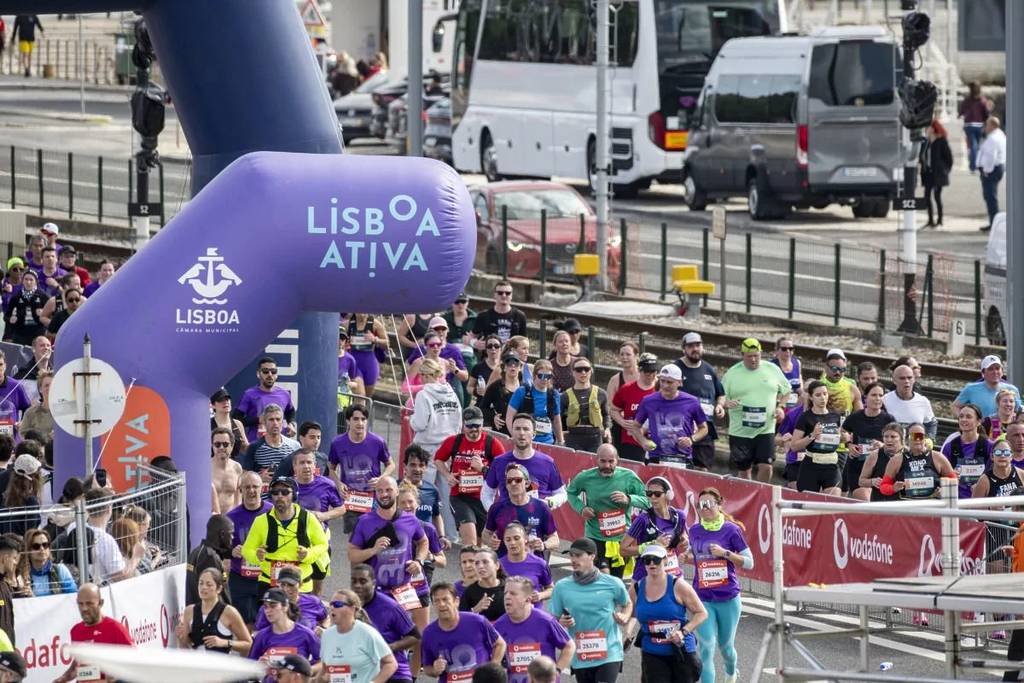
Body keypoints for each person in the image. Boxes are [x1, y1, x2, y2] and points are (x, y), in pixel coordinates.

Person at [682, 488, 753, 683]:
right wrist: (686, 556)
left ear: (719, 504)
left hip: (728, 598)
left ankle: (731, 673)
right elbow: (694, 551)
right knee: (706, 647)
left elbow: (749, 562)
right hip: (702, 598)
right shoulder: (695, 530)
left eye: (709, 504)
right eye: (701, 505)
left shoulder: (731, 530)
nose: (704, 508)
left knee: (726, 648)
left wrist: (725, 553)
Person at [550, 537, 632, 683]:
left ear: (592, 556)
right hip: (581, 655)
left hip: (609, 653)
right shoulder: (561, 587)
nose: (573, 559)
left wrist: (624, 616)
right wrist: (561, 621)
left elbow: (628, 603)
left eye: (578, 555)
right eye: (571, 555)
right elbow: (553, 619)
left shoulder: (612, 583)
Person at [347, 476, 430, 611]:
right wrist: (373, 550)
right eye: (380, 491)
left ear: (397, 492)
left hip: (403, 591)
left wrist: (419, 561)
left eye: (388, 490)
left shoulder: (411, 519)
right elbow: (352, 554)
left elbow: (423, 541)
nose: (384, 494)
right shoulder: (364, 522)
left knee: (404, 625)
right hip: (374, 592)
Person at [566, 444, 648, 578]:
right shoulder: (586, 477)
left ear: (617, 460)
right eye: (603, 461)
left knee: (615, 580)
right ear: (596, 459)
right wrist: (581, 508)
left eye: (611, 461)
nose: (607, 465)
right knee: (602, 575)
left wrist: (629, 499)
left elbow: (648, 500)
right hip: (595, 536)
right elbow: (571, 493)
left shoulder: (628, 477)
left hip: (620, 538)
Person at [631, 544, 707, 683]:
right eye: (647, 560)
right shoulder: (636, 588)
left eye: (656, 559)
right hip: (652, 650)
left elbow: (701, 613)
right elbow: (630, 615)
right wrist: (625, 632)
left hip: (681, 649)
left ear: (665, 560)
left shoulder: (679, 585)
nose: (652, 563)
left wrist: (683, 631)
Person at [241, 476, 329, 594]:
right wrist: (256, 556)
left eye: (285, 492)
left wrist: (308, 554)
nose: (280, 496)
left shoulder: (309, 519)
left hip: (301, 585)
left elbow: (322, 544)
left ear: (294, 495)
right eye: (275, 492)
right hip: (269, 584)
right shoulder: (261, 521)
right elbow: (247, 550)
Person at [722, 338, 791, 482]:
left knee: (767, 466)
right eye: (749, 356)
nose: (753, 360)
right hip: (740, 431)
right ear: (742, 355)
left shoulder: (772, 369)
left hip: (765, 430)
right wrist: (726, 404)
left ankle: (761, 493)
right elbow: (720, 397)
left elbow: (787, 391)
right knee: (744, 471)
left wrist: (781, 407)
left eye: (756, 356)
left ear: (761, 354)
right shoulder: (732, 373)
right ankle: (748, 494)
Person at [435, 407, 504, 546]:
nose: (473, 429)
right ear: (463, 425)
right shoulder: (453, 441)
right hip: (459, 497)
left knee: (479, 546)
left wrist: (483, 468)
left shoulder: (492, 443)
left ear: (482, 424)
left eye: (477, 425)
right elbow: (438, 459)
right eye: (469, 426)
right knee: (470, 542)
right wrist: (448, 475)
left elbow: (503, 472)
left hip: (483, 499)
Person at [494, 575, 575, 683]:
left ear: (528, 599)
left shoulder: (545, 621)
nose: (507, 597)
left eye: (513, 593)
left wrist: (557, 671)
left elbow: (569, 646)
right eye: (505, 593)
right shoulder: (498, 626)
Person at [421, 582, 507, 682]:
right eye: (437, 601)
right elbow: (427, 667)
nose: (441, 604)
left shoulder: (477, 621)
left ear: (456, 601)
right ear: (433, 605)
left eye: (445, 599)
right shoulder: (429, 633)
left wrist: (492, 669)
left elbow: (500, 644)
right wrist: (435, 670)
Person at [350, 563, 421, 683]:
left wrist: (386, 648)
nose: (357, 585)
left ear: (373, 583)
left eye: (363, 581)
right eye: (354, 581)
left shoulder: (390, 607)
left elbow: (415, 636)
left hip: (394, 674)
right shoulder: (346, 604)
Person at [329, 403, 393, 534]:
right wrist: (338, 484)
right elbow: (331, 469)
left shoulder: (377, 442)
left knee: (375, 536)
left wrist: (381, 479)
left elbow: (391, 464)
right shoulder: (337, 443)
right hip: (351, 498)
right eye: (356, 419)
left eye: (363, 419)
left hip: (374, 498)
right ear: (348, 421)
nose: (360, 423)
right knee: (354, 538)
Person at [481, 414, 567, 510]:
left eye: (526, 429)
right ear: (512, 432)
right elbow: (486, 493)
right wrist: (494, 513)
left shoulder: (547, 462)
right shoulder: (499, 462)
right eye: (517, 429)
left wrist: (550, 502)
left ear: (534, 434)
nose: (521, 433)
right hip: (508, 518)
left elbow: (562, 494)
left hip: (538, 517)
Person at [53, 583, 134, 683]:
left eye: (89, 604)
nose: (84, 609)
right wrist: (63, 678)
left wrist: (112, 679)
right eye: (80, 604)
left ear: (100, 603)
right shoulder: (76, 631)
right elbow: (78, 663)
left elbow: (134, 664)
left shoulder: (116, 629)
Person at [633, 365, 709, 468]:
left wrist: (691, 439)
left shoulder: (692, 401)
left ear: (680, 382)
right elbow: (635, 426)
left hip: (683, 458)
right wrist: (643, 442)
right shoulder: (648, 401)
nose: (665, 385)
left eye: (669, 382)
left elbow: (704, 428)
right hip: (656, 457)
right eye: (662, 381)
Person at [319, 589, 398, 683]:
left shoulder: (367, 633)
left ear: (352, 609)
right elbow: (324, 671)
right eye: (331, 604)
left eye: (337, 604)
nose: (332, 607)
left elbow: (391, 663)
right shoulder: (327, 635)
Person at [482, 463, 560, 558]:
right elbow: (486, 534)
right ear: (506, 485)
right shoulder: (496, 508)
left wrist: (544, 545)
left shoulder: (541, 507)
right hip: (504, 563)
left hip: (532, 563)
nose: (513, 483)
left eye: (518, 480)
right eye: (509, 481)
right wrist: (490, 541)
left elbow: (555, 539)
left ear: (527, 483)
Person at [621, 476, 688, 583]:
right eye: (649, 494)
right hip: (645, 578)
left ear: (668, 495)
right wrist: (652, 545)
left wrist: (684, 540)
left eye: (657, 494)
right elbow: (623, 550)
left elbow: (683, 537)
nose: (653, 497)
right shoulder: (643, 519)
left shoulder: (680, 516)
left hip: (673, 575)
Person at [675, 333, 727, 470]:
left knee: (703, 469)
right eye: (691, 346)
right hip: (682, 429)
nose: (695, 349)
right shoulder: (676, 368)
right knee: (681, 468)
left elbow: (721, 394)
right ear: (683, 349)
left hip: (705, 428)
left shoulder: (709, 369)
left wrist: (720, 406)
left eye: (698, 345)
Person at [227, 471, 272, 626]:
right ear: (240, 490)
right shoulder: (231, 517)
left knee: (269, 623)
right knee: (245, 625)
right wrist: (231, 551)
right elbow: (221, 548)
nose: (251, 491)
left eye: (255, 487)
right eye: (247, 487)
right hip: (241, 578)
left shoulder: (273, 512)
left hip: (267, 576)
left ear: (262, 488)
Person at [248, 587, 321, 679]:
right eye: (265, 607)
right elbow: (250, 668)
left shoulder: (305, 634)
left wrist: (305, 670)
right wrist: (259, 666)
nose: (268, 610)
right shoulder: (261, 636)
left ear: (285, 607)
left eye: (273, 606)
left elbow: (322, 662)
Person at [175, 567, 251, 654]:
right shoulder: (189, 611)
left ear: (219, 589)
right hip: (196, 661)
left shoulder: (229, 612)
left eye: (209, 585)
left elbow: (249, 644)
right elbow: (184, 647)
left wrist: (225, 643)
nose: (203, 587)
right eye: (201, 583)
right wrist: (180, 638)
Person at [791, 380, 845, 496]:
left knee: (834, 499)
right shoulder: (805, 417)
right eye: (818, 395)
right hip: (811, 465)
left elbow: (839, 438)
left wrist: (844, 438)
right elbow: (794, 446)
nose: (823, 398)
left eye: (825, 394)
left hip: (831, 465)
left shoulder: (835, 416)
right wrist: (812, 435)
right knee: (808, 503)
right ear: (811, 397)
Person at [881, 422, 957, 500]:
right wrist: (893, 488)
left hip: (932, 504)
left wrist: (944, 490)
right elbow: (883, 486)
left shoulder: (937, 457)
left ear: (925, 438)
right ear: (906, 439)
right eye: (913, 436)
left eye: (920, 436)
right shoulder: (896, 460)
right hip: (906, 504)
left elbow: (954, 481)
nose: (917, 439)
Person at [841, 382, 892, 497]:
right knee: (864, 498)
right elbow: (842, 432)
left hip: (880, 470)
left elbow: (898, 445)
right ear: (865, 397)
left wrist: (883, 446)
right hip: (857, 468)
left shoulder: (888, 419)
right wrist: (849, 444)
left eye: (880, 395)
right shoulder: (855, 417)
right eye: (874, 395)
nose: (877, 398)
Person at [610, 352, 659, 463]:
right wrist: (622, 422)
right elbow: (613, 409)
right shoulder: (627, 389)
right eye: (647, 371)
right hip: (631, 441)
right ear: (639, 370)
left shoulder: (661, 389)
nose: (650, 375)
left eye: (653, 371)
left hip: (654, 441)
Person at [239, 404, 302, 490]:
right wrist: (259, 478)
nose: (275, 423)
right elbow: (244, 478)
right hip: (263, 495)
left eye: (278, 419)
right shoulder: (254, 447)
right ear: (264, 422)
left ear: (282, 422)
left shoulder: (295, 446)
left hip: (288, 494)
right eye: (271, 420)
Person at [234, 358, 297, 442]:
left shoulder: (284, 394)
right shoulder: (249, 394)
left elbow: (290, 411)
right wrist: (257, 420)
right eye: (265, 371)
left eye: (273, 371)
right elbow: (235, 419)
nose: (270, 375)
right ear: (258, 374)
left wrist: (291, 424)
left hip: (279, 444)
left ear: (276, 375)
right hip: (256, 444)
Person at [254, 565, 329, 633]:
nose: (286, 589)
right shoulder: (268, 607)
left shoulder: (313, 602)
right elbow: (259, 633)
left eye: (291, 585)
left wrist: (323, 629)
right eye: (283, 584)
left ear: (300, 584)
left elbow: (326, 619)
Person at [411, 358, 463, 456]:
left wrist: (412, 419)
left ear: (425, 375)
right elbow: (459, 421)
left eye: (420, 374)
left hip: (426, 448)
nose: (419, 378)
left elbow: (419, 424)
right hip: (449, 446)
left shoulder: (423, 395)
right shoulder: (452, 394)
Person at [506, 361, 563, 446]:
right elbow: (509, 417)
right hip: (525, 441)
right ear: (534, 375)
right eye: (541, 376)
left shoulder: (554, 394)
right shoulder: (522, 392)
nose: (544, 379)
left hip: (547, 442)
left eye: (548, 376)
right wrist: (514, 436)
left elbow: (556, 420)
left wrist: (561, 441)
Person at [942, 404, 992, 498]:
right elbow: (942, 475)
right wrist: (951, 475)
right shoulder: (949, 446)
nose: (964, 419)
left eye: (968, 417)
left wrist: (981, 485)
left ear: (979, 421)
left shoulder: (989, 446)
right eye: (961, 416)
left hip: (982, 500)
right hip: (956, 500)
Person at [561, 357, 610, 452]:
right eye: (579, 370)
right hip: (573, 437)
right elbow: (558, 416)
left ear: (591, 371)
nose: (583, 372)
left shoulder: (601, 393)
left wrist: (607, 429)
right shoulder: (565, 396)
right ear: (573, 372)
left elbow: (606, 414)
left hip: (595, 437)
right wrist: (560, 433)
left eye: (586, 369)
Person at [185, 514, 234, 605]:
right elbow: (215, 592)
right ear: (222, 534)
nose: (232, 537)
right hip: (208, 612)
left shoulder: (196, 552)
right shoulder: (210, 557)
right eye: (231, 533)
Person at [498, 523, 554, 603]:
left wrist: (540, 595)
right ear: (504, 542)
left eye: (516, 538)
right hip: (507, 609)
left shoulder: (540, 563)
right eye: (508, 540)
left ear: (525, 539)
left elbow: (551, 589)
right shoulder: (498, 565)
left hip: (533, 609)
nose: (512, 542)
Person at [883, 363, 938, 439]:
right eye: (902, 378)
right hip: (892, 443)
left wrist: (929, 440)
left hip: (915, 442)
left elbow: (931, 424)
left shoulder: (923, 401)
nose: (906, 381)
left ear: (914, 379)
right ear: (894, 380)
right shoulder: (885, 400)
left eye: (909, 378)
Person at [954, 355, 1021, 418]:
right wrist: (964, 420)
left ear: (1002, 372)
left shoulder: (1012, 390)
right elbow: (955, 406)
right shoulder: (971, 389)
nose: (995, 372)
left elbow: (1019, 411)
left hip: (1004, 426)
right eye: (990, 369)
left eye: (997, 368)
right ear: (983, 373)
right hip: (980, 426)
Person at [19, 527, 75, 596]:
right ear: (28, 549)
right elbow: (7, 600)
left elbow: (73, 595)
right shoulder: (21, 575)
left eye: (45, 545)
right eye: (36, 546)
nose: (42, 549)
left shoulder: (60, 570)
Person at [472, 281, 527, 349]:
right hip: (490, 352)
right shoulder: (483, 316)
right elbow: (471, 336)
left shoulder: (520, 316)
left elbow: (524, 341)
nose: (504, 295)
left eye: (508, 293)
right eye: (500, 293)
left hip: (512, 354)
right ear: (495, 295)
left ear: (511, 296)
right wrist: (474, 343)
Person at [920, 119, 954, 228]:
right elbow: (922, 156)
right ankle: (930, 220)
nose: (926, 130)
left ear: (933, 129)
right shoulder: (926, 142)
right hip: (928, 173)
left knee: (937, 197)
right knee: (926, 196)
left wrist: (945, 170)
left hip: (938, 174)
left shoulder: (941, 141)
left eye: (928, 128)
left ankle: (939, 220)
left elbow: (949, 159)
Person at [346, 314, 389, 396]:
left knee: (367, 397)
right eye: (360, 313)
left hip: (369, 364)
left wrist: (375, 339)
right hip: (354, 363)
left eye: (365, 313)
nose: (363, 315)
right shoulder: (348, 324)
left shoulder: (375, 324)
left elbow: (387, 343)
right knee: (360, 395)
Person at [460, 547, 507, 622]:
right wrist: (475, 609)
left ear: (497, 565)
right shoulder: (469, 592)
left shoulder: (508, 587)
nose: (480, 566)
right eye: (477, 563)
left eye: (485, 562)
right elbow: (461, 620)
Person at [479, 353, 521, 434]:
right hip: (501, 430)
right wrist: (493, 417)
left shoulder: (525, 387)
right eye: (509, 363)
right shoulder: (495, 387)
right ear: (504, 367)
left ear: (520, 368)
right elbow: (482, 408)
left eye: (516, 364)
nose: (513, 366)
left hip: (520, 430)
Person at [978, 116, 1007, 232]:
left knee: (990, 197)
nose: (985, 127)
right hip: (996, 168)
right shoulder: (999, 135)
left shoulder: (993, 138)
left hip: (991, 170)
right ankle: (993, 222)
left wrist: (986, 171)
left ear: (992, 126)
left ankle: (994, 223)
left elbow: (990, 156)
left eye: (987, 124)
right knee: (990, 197)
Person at [3, 270, 46, 345]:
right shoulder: (16, 297)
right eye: (26, 279)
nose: (28, 282)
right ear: (22, 281)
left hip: (38, 333)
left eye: (31, 280)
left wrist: (44, 313)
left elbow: (53, 314)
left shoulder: (42, 296)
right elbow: (6, 316)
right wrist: (10, 319)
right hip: (20, 334)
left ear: (36, 282)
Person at [959, 81, 992, 172]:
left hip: (969, 125)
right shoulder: (982, 101)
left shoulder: (967, 100)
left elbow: (961, 111)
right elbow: (987, 114)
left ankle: (973, 166)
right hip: (979, 126)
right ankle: (977, 165)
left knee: (973, 145)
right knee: (977, 145)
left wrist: (961, 115)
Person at [818, 349, 862, 416]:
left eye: (842, 369)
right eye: (834, 369)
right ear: (826, 367)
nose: (838, 372)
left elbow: (860, 416)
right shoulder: (817, 386)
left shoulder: (852, 388)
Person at [211, 427, 243, 514]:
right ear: (212, 446)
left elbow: (238, 497)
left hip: (230, 518)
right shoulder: (206, 468)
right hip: (211, 519)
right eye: (217, 444)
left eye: (225, 444)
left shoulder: (237, 467)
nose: (221, 447)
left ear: (232, 446)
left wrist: (237, 516)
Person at [210, 388, 248, 459]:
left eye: (227, 399)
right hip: (213, 464)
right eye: (220, 400)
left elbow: (245, 449)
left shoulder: (238, 424)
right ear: (212, 405)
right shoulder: (207, 425)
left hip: (233, 464)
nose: (225, 402)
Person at [19, 370, 53, 444]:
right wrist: (46, 437)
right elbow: (23, 436)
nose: (50, 388)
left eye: (53, 385)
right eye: (46, 385)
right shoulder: (30, 413)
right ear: (40, 389)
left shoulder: (65, 411)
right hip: (37, 450)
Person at [770, 337, 802, 409]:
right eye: (784, 349)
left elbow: (800, 386)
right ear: (777, 350)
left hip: (794, 405)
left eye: (790, 349)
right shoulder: (771, 366)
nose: (787, 351)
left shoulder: (797, 363)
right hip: (778, 404)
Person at [470, 335, 504, 401]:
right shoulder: (478, 367)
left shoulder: (506, 367)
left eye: (496, 346)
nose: (493, 348)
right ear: (486, 349)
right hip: (483, 402)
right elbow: (469, 387)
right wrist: (476, 391)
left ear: (501, 349)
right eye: (489, 346)